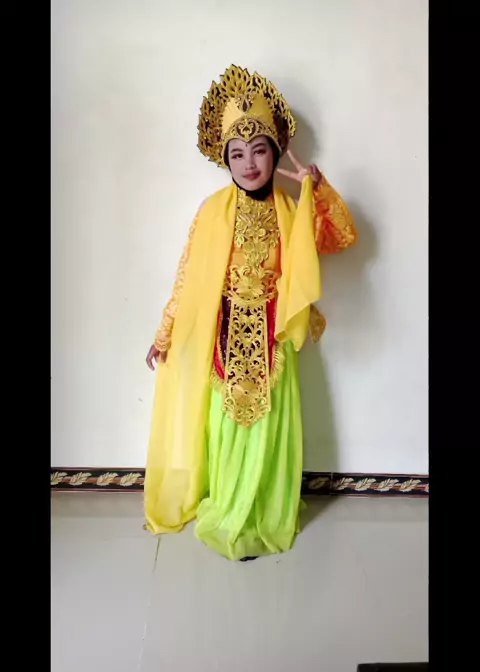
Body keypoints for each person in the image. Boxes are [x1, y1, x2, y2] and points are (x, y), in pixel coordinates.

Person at [144, 65, 356, 561]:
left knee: (272, 424)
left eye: (258, 149)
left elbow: (339, 237)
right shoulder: (211, 212)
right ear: (224, 160)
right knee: (225, 423)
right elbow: (186, 278)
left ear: (275, 152)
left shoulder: (291, 209)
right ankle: (228, 507)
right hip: (224, 335)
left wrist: (316, 190)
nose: (248, 163)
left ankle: (263, 510)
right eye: (236, 153)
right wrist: (164, 333)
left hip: (274, 333)